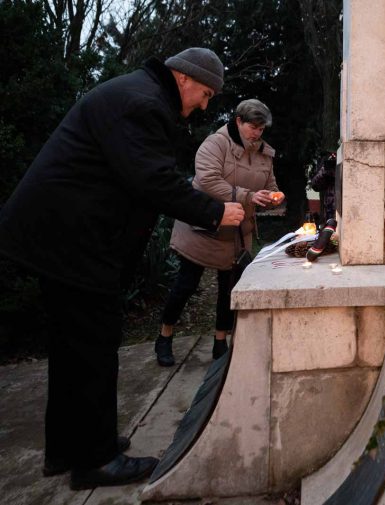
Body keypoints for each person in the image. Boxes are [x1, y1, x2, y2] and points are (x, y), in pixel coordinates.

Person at [0, 47, 246, 490]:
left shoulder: (137, 93)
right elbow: (151, 180)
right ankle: (95, 460)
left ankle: (66, 448)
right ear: (184, 78)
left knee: (71, 348)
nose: (204, 105)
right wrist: (215, 212)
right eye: (205, 94)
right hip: (72, 240)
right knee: (94, 345)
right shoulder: (144, 104)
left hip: (57, 235)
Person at [155, 99, 280, 365]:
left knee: (228, 289)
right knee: (186, 285)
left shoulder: (264, 154)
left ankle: (220, 341)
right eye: (252, 126)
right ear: (238, 121)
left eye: (261, 128)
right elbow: (208, 180)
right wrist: (248, 196)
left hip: (236, 232)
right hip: (203, 226)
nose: (257, 133)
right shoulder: (215, 144)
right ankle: (164, 336)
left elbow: (270, 184)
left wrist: (273, 196)